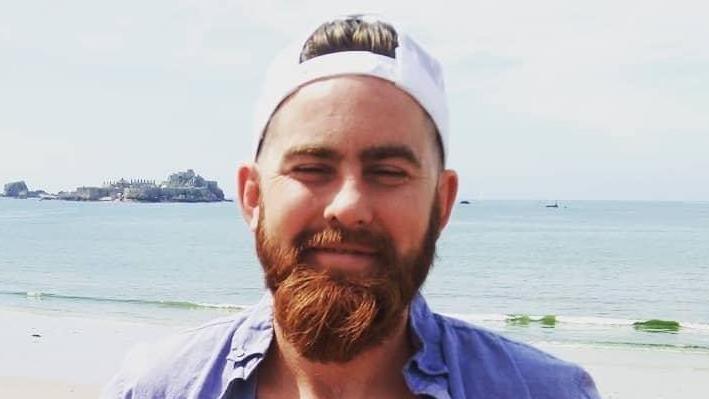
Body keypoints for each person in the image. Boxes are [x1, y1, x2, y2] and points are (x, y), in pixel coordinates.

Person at [102, 14, 601, 399]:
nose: (349, 207)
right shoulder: (161, 386)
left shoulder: (541, 391)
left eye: (388, 173)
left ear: (441, 204)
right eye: (312, 169)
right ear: (252, 197)